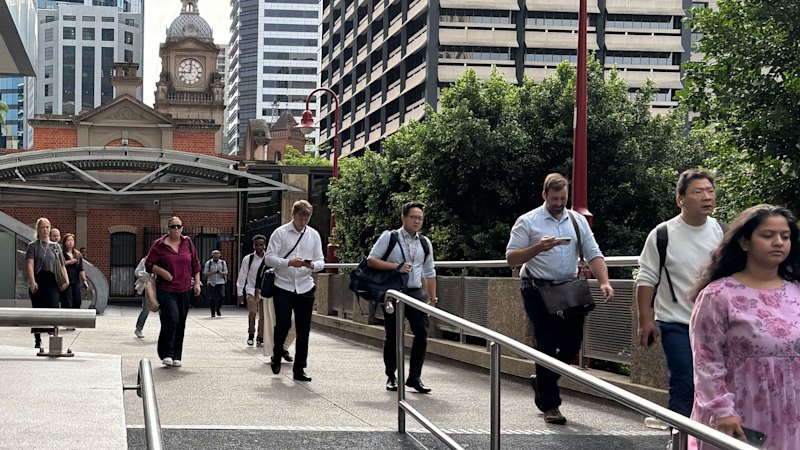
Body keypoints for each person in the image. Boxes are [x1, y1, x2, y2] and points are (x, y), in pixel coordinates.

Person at [506, 173, 614, 425]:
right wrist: (538, 247)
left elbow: (593, 253)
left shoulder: (576, 221)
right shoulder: (528, 221)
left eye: (563, 199)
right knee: (545, 344)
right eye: (554, 198)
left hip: (568, 289)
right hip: (536, 288)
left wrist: (604, 281)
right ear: (544, 195)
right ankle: (550, 405)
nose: (558, 203)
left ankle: (544, 381)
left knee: (572, 344)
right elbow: (511, 258)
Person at [690, 204, 800, 449]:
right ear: (745, 242)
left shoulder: (796, 290)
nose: (778, 242)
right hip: (740, 410)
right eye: (768, 235)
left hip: (792, 409)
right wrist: (722, 410)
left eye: (785, 236)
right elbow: (706, 359)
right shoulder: (718, 295)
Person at [635, 170, 726, 418]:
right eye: (698, 192)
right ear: (680, 199)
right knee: (685, 383)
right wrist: (645, 319)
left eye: (710, 191)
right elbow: (646, 277)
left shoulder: (723, 232)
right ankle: (680, 435)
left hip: (715, 324)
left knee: (719, 385)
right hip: (676, 322)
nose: (707, 197)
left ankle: (707, 436)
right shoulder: (662, 234)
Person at [367, 201, 437, 393]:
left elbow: (429, 271)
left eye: (420, 218)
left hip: (415, 292)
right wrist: (395, 266)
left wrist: (433, 298)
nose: (417, 221)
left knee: (421, 332)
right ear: (403, 218)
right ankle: (391, 375)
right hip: (393, 291)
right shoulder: (390, 237)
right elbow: (371, 260)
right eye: (413, 217)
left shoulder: (424, 242)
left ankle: (415, 377)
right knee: (393, 334)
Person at [266, 200, 324, 382]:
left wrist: (312, 265)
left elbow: (321, 261)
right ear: (293, 215)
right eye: (300, 218)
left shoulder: (313, 235)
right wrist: (288, 263)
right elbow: (269, 258)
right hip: (283, 285)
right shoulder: (280, 233)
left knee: (303, 328)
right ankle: (277, 353)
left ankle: (300, 368)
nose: (303, 222)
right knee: (283, 324)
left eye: (306, 219)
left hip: (305, 285)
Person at [145, 216, 201, 367]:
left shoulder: (187, 242)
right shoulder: (159, 245)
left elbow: (195, 264)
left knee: (181, 321)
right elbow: (148, 264)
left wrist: (197, 283)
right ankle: (166, 353)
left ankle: (176, 355)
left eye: (179, 226)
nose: (176, 229)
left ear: (182, 228)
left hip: (184, 288)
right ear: (168, 228)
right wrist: (162, 272)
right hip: (166, 289)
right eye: (173, 226)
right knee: (172, 318)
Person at [25, 218, 68, 349]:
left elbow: (62, 265)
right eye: (42, 227)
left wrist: (66, 280)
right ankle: (37, 339)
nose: (45, 230)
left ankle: (53, 336)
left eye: (47, 227)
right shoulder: (33, 246)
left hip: (52, 280)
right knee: (38, 310)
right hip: (39, 279)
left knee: (54, 308)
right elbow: (30, 265)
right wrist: (32, 281)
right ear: (38, 229)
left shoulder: (55, 247)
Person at [255, 260, 296, 364]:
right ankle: (276, 352)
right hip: (272, 294)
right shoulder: (271, 256)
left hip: (290, 294)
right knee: (273, 325)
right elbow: (261, 273)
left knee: (295, 323)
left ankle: (282, 348)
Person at [236, 234, 267, 347]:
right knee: (252, 312)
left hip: (265, 291)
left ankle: (260, 337)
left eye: (261, 245)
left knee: (263, 316)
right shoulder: (248, 259)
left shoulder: (269, 259)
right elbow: (242, 275)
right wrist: (240, 293)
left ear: (265, 245)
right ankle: (251, 334)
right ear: (253, 246)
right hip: (251, 289)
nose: (259, 247)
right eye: (256, 245)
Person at [61, 233, 88, 310]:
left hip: (76, 281)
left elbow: (81, 269)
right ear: (65, 242)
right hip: (66, 281)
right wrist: (68, 262)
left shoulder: (78, 254)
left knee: (77, 301)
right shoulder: (61, 254)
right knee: (67, 302)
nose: (70, 242)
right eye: (68, 240)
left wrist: (84, 280)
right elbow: (58, 264)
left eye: (72, 240)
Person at [203, 250, 228, 317]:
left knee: (222, 296)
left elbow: (226, 272)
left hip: (220, 281)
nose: (216, 256)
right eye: (215, 255)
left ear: (219, 255)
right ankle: (213, 312)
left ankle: (218, 308)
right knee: (212, 298)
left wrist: (221, 273)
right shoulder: (209, 263)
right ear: (212, 255)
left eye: (217, 255)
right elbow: (205, 273)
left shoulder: (222, 263)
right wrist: (213, 273)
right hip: (211, 282)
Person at [133, 257, 151, 338]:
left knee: (164, 310)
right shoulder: (145, 260)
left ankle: (166, 330)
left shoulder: (163, 259)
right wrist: (146, 274)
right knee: (146, 309)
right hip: (146, 288)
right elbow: (137, 272)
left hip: (160, 288)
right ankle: (138, 329)